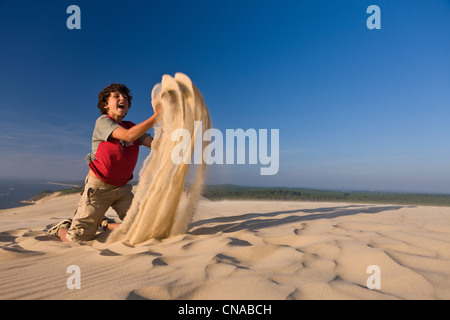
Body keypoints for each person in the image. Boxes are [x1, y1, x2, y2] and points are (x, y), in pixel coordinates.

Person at [48, 83, 160, 242]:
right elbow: (128, 136)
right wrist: (156, 117)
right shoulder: (103, 122)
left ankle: (105, 224)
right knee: (77, 239)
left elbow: (156, 144)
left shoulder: (132, 127)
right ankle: (60, 229)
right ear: (106, 105)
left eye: (126, 97)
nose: (123, 98)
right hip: (98, 189)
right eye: (117, 96)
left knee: (144, 228)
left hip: (122, 190)